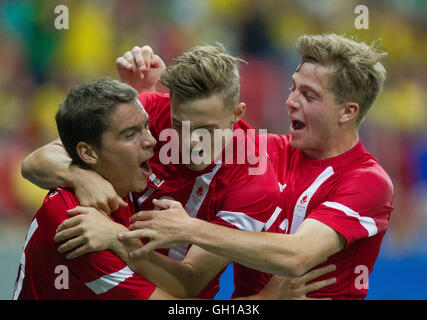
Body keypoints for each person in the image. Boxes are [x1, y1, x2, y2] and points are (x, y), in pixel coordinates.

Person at [21, 44, 335, 299]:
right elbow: (36, 161)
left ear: (235, 115)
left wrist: (117, 238)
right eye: (178, 125)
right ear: (170, 105)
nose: (191, 143)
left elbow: (189, 284)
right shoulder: (149, 112)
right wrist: (80, 175)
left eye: (206, 130)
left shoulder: (253, 182)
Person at [118, 34, 395, 300]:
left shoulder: (367, 181)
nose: (290, 101)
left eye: (309, 96)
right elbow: (202, 121)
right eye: (293, 87)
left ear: (347, 111)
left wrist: (189, 228)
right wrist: (148, 96)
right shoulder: (260, 149)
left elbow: (298, 255)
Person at [13, 78, 177, 299]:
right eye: (130, 134)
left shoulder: (125, 180)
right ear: (88, 153)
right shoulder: (75, 221)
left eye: (146, 126)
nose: (151, 141)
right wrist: (120, 239)